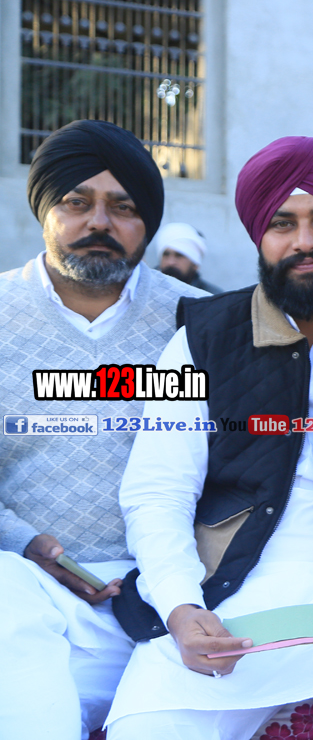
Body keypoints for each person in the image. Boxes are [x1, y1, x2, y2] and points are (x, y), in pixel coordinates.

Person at [105, 137, 313, 739]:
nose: (305, 241)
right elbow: (158, 490)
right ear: (259, 237)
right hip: (221, 596)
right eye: (283, 224)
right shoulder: (202, 338)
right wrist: (179, 605)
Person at [0, 119, 202, 739]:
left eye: (123, 208)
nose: (99, 223)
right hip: (25, 586)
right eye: (76, 202)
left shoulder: (196, 321)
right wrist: (24, 542)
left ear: (147, 224)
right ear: (44, 210)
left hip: (165, 592)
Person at [156, 221, 224, 294]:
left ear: (195, 264)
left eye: (179, 255)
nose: (171, 262)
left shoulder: (211, 296)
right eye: (166, 254)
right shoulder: (148, 290)